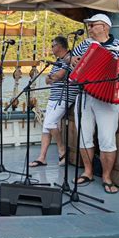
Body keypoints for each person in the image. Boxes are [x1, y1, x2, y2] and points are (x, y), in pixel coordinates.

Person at [71, 13, 119, 194]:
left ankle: (107, 177)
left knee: (107, 140)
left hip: (108, 99)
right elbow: (69, 61)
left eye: (93, 25)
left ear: (105, 27)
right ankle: (88, 171)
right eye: (89, 25)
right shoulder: (85, 44)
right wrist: (71, 60)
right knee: (83, 136)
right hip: (84, 95)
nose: (90, 29)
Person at [30, 36, 78, 167]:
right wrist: (54, 78)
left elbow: (59, 76)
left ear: (60, 46)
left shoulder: (70, 58)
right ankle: (42, 157)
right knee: (46, 127)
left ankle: (62, 150)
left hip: (64, 96)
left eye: (53, 45)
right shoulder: (58, 61)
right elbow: (48, 80)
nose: (51, 48)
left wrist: (54, 78)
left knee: (50, 123)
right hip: (53, 97)